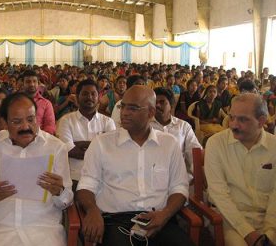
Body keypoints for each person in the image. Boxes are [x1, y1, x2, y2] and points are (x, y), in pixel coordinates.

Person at [76, 86, 193, 246]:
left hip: (160, 220)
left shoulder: (168, 144)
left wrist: (165, 214)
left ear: (151, 113)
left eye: (133, 108)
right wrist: (92, 210)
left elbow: (179, 188)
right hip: (115, 222)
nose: (124, 112)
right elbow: (86, 186)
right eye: (122, 106)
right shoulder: (102, 143)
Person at [0, 93, 73, 246]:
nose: (26, 127)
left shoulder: (56, 148)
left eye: (31, 120)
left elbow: (67, 199)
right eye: (17, 122)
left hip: (45, 231)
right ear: (4, 123)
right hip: (0, 231)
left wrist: (60, 191)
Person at [205, 93, 276, 246]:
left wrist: (270, 234)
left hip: (269, 220)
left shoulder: (274, 146)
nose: (233, 125)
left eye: (242, 119)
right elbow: (219, 194)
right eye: (231, 117)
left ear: (261, 121)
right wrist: (248, 232)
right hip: (230, 221)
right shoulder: (216, 144)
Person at [56, 79, 116, 186]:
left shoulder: (108, 122)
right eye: (85, 94)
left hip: (102, 178)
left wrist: (80, 144)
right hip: (73, 178)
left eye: (93, 94)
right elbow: (69, 150)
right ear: (77, 97)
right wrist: (98, 146)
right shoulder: (66, 120)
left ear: (99, 98)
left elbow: (111, 151)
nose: (89, 97)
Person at [152, 87, 201, 179]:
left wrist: (197, 173)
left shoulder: (183, 126)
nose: (157, 105)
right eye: (155, 102)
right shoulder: (145, 126)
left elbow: (194, 151)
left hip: (178, 176)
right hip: (152, 176)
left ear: (171, 105)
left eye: (162, 102)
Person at [22, 70, 56, 134]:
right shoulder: (16, 102)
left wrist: (39, 140)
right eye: (28, 82)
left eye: (34, 81)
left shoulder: (46, 104)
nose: (32, 84)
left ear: (38, 83)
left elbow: (50, 126)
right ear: (23, 83)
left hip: (41, 139)